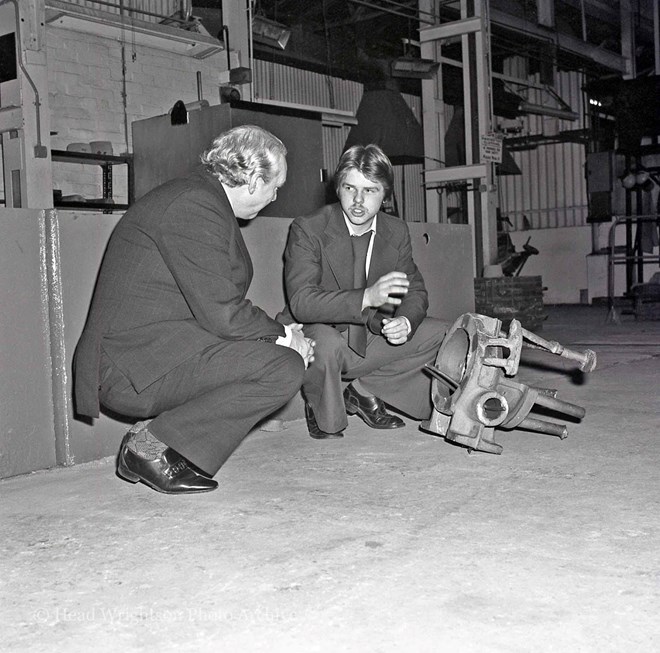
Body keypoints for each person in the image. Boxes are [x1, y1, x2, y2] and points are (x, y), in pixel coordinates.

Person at [74, 125, 314, 494]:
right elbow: (223, 312)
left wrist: (280, 339)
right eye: (275, 186)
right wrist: (284, 337)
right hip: (133, 366)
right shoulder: (194, 204)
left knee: (280, 362)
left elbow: (215, 307)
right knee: (282, 365)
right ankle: (150, 445)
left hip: (161, 352)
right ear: (253, 180)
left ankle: (156, 442)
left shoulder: (201, 199)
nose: (275, 196)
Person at [281, 143, 449, 439]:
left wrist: (405, 322)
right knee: (328, 343)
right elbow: (302, 302)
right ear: (337, 189)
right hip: (318, 333)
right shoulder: (308, 228)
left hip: (368, 333)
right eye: (349, 188)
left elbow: (414, 289)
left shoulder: (395, 230)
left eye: (370, 190)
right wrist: (367, 298)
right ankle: (319, 405)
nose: (358, 201)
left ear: (385, 195)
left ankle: (361, 390)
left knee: (443, 334)